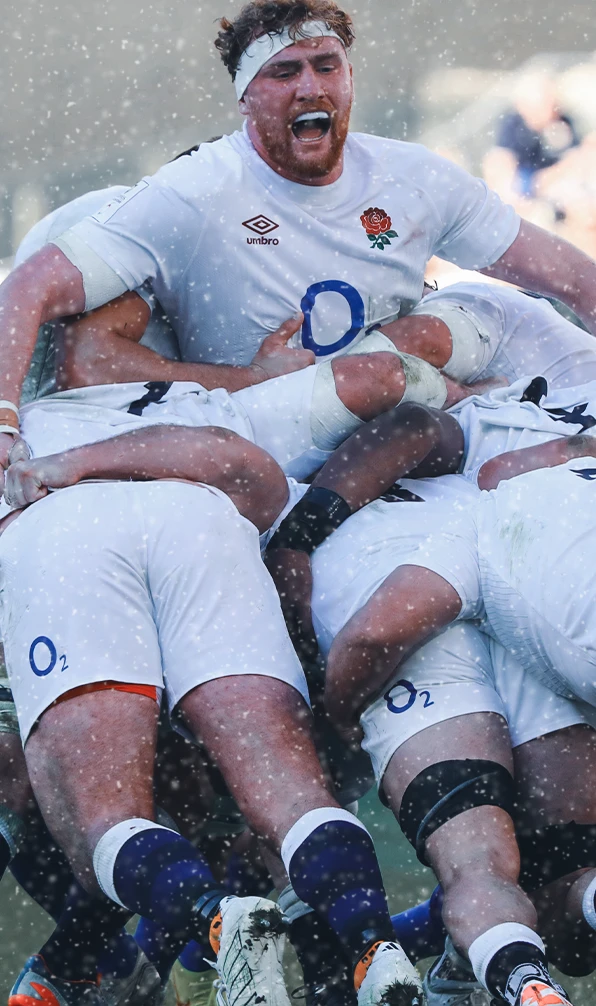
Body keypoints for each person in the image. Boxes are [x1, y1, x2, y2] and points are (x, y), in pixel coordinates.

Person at [3, 0, 596, 480]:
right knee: (378, 376)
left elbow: (571, 278)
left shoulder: (414, 177)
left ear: (350, 78)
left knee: (486, 311)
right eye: (284, 71)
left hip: (400, 417)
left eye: (325, 65)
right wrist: (3, 419)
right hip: (271, 433)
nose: (310, 86)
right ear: (245, 97)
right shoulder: (195, 190)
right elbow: (30, 292)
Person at [0, 423, 424, 1006]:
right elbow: (395, 406)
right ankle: (373, 948)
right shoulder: (225, 394)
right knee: (290, 803)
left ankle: (210, 923)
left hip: (69, 541)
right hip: (206, 522)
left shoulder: (43, 412)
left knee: (102, 823)